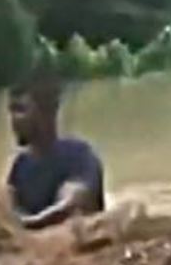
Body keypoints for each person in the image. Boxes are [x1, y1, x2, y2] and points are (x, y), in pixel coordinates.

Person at [6, 76, 105, 230]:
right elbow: (8, 205)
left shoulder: (78, 155)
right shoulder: (20, 165)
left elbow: (70, 207)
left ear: (47, 113)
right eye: (11, 111)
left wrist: (26, 223)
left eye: (20, 110)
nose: (13, 119)